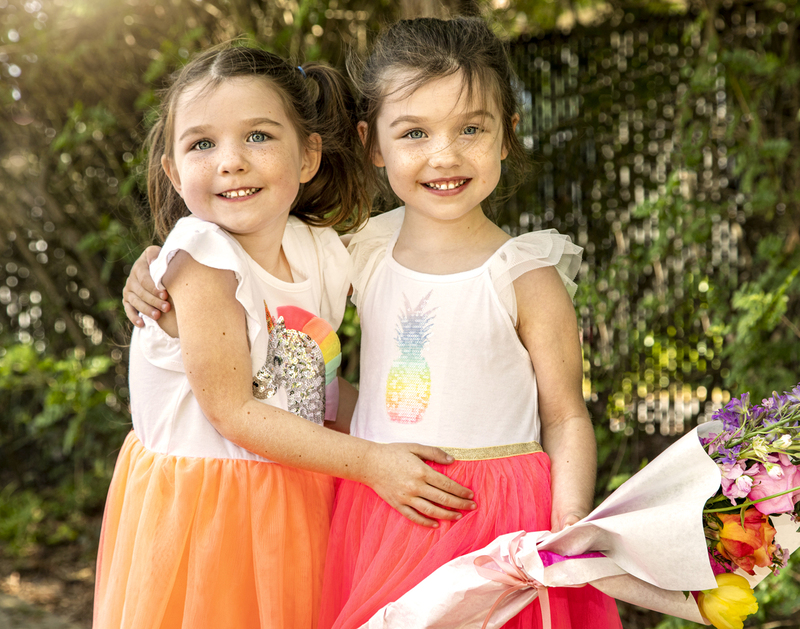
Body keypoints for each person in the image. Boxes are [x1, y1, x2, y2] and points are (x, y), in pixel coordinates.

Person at [97, 44, 475, 629]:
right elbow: (236, 414)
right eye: (202, 143)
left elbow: (313, 390)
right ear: (173, 171)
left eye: (258, 136)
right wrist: (375, 461)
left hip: (295, 504)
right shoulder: (200, 259)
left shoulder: (319, 249)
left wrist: (430, 435)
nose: (230, 162)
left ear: (308, 155)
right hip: (208, 522)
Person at [316, 17, 623, 629]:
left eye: (471, 129)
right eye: (414, 132)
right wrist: (161, 262)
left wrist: (568, 517)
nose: (444, 155)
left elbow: (564, 414)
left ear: (507, 135)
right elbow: (270, 303)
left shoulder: (525, 275)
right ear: (372, 142)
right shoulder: (360, 251)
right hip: (386, 506)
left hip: (504, 518)